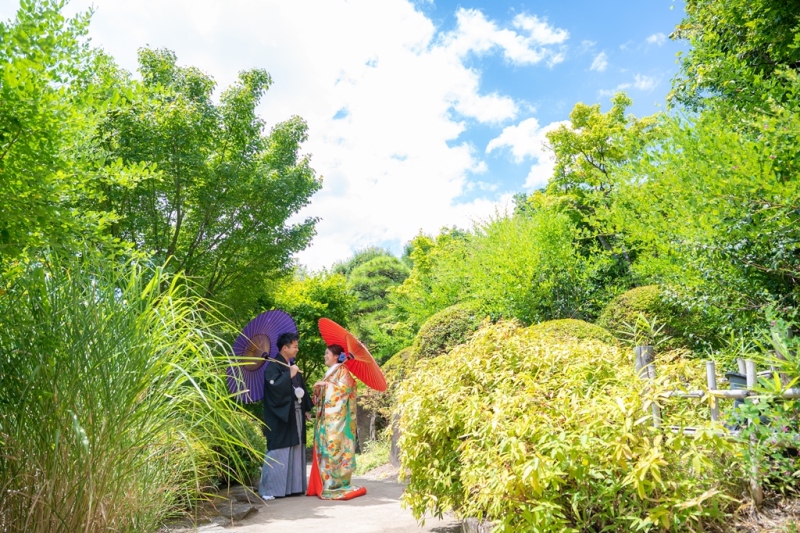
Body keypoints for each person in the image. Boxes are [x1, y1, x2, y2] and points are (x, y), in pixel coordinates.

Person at [306, 344, 367, 500]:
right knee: (325, 449)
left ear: (336, 356)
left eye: (327, 353)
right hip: (326, 418)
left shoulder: (342, 370)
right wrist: (319, 388)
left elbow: (346, 389)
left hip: (336, 421)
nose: (325, 356)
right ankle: (326, 482)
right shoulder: (334, 370)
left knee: (335, 449)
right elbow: (326, 393)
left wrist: (327, 385)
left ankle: (335, 483)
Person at [259, 331, 307, 501]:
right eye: (294, 346)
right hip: (280, 415)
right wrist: (290, 375)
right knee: (278, 449)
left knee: (296, 446)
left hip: (296, 413)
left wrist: (306, 408)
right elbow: (274, 388)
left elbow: (301, 388)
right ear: (285, 347)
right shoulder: (273, 367)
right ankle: (269, 488)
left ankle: (294, 487)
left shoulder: (291, 365)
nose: (297, 349)